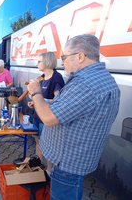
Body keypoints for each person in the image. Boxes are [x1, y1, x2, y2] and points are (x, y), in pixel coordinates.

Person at [27, 34, 120, 200]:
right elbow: (67, 110)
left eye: (64, 57)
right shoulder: (103, 79)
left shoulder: (85, 84)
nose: (62, 62)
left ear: (80, 56)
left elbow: (49, 119)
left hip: (68, 163)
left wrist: (35, 92)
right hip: (76, 159)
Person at [27, 52, 65, 173]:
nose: (37, 63)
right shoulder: (42, 77)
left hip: (47, 119)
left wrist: (40, 100)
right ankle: (38, 164)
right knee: (38, 141)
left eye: (39, 61)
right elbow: (39, 97)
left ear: (47, 62)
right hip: (38, 116)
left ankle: (49, 171)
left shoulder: (57, 78)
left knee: (48, 146)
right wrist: (34, 101)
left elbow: (58, 100)